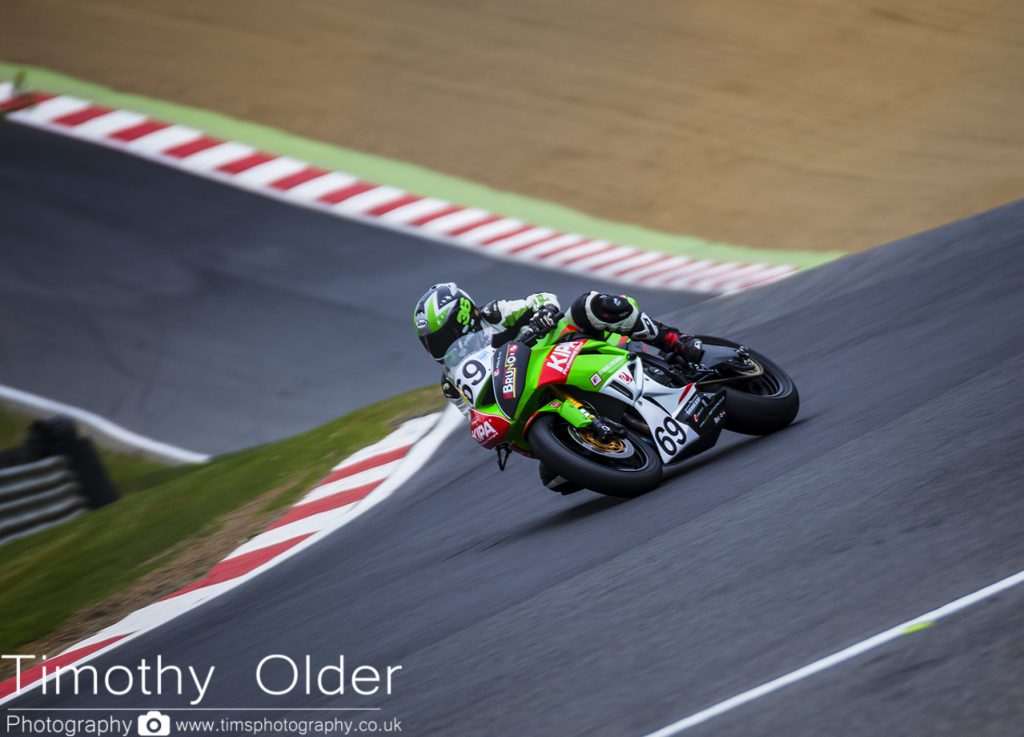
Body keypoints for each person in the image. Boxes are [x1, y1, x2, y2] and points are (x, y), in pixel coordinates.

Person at [413, 282, 703, 417]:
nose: (436, 347)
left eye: (438, 338)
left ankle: (675, 341)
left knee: (590, 304)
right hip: (531, 391)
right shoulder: (452, 382)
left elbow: (541, 298)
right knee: (553, 476)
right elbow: (476, 415)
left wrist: (545, 312)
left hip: (561, 346)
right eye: (431, 343)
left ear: (460, 319)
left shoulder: (494, 315)